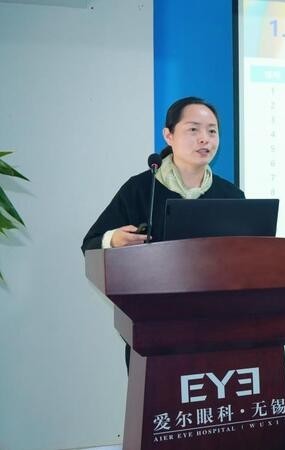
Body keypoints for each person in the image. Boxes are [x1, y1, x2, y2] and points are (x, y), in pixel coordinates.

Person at [82, 96, 244, 368]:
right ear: (168, 135)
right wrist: (113, 239)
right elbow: (90, 244)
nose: (204, 139)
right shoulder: (141, 189)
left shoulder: (231, 196)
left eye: (212, 131)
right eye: (193, 129)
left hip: (218, 331)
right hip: (153, 332)